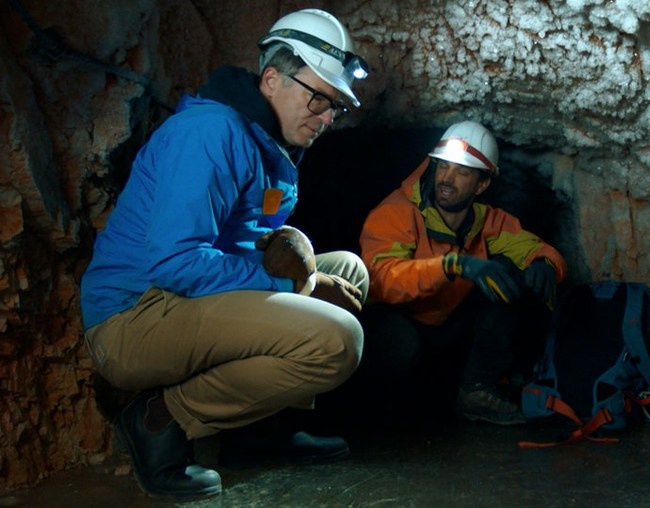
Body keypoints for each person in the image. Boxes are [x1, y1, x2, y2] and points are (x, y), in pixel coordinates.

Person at [79, 9, 370, 499]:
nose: (326, 117)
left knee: (348, 270)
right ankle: (161, 421)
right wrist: (295, 284)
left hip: (183, 301)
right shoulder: (212, 133)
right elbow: (176, 264)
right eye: (318, 97)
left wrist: (300, 267)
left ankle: (258, 431)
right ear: (272, 78)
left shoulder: (269, 147)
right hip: (135, 316)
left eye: (335, 106)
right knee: (339, 340)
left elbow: (249, 242)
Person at [356, 121, 567, 426]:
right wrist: (453, 265)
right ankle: (379, 414)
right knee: (397, 343)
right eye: (443, 167)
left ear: (481, 185)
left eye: (462, 172)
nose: (447, 179)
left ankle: (476, 392)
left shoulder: (486, 221)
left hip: (445, 328)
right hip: (396, 322)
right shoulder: (396, 212)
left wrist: (545, 264)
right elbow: (383, 280)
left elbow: (540, 249)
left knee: (507, 275)